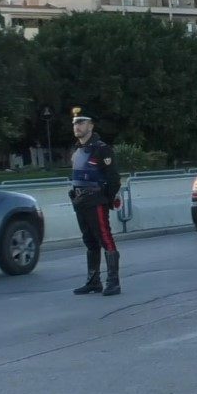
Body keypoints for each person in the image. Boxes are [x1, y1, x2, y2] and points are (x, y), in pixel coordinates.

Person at [68, 107, 123, 296]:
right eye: (75, 123)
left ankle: (113, 282)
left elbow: (114, 178)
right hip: (80, 200)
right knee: (89, 241)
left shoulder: (101, 149)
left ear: (90, 125)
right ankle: (93, 281)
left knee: (105, 238)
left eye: (81, 122)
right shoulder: (77, 151)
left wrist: (105, 199)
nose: (77, 126)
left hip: (95, 199)